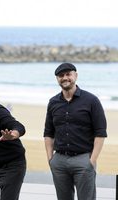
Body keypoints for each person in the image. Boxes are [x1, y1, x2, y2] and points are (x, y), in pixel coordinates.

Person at [44, 63, 107, 200]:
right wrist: (50, 159)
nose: (65, 78)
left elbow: (100, 132)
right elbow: (48, 133)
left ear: (75, 76)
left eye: (68, 74)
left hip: (83, 160)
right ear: (57, 79)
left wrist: (92, 160)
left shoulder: (91, 100)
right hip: (59, 161)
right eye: (61, 75)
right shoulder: (53, 102)